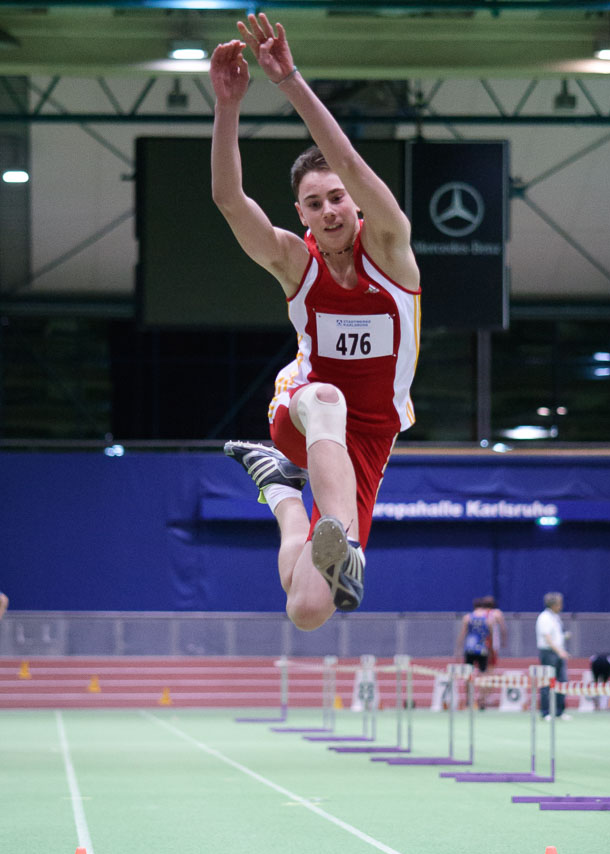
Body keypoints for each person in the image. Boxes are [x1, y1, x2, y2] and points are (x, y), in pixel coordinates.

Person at [209, 14, 421, 632]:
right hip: (307, 407)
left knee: (306, 610)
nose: (328, 210)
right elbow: (229, 201)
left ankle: (282, 496)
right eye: (313, 202)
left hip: (370, 435)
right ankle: (344, 545)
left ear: (354, 204)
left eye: (336, 198)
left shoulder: (391, 248)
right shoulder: (294, 262)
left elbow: (351, 163)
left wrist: (290, 80)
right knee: (324, 394)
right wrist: (229, 106)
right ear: (299, 212)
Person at [455, 596, 507, 709]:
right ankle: (482, 700)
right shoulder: (488, 619)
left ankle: (469, 700)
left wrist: (458, 649)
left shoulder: (468, 617)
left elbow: (462, 634)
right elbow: (491, 636)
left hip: (469, 649)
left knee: (468, 675)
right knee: (483, 675)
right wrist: (492, 650)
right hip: (482, 649)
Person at [536, 591, 570, 721]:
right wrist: (559, 651)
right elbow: (547, 637)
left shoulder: (556, 617)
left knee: (562, 681)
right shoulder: (544, 617)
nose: (561, 606)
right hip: (549, 653)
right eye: (559, 604)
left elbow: (555, 635)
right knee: (547, 682)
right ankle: (546, 712)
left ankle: (559, 711)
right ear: (553, 604)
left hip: (558, 652)